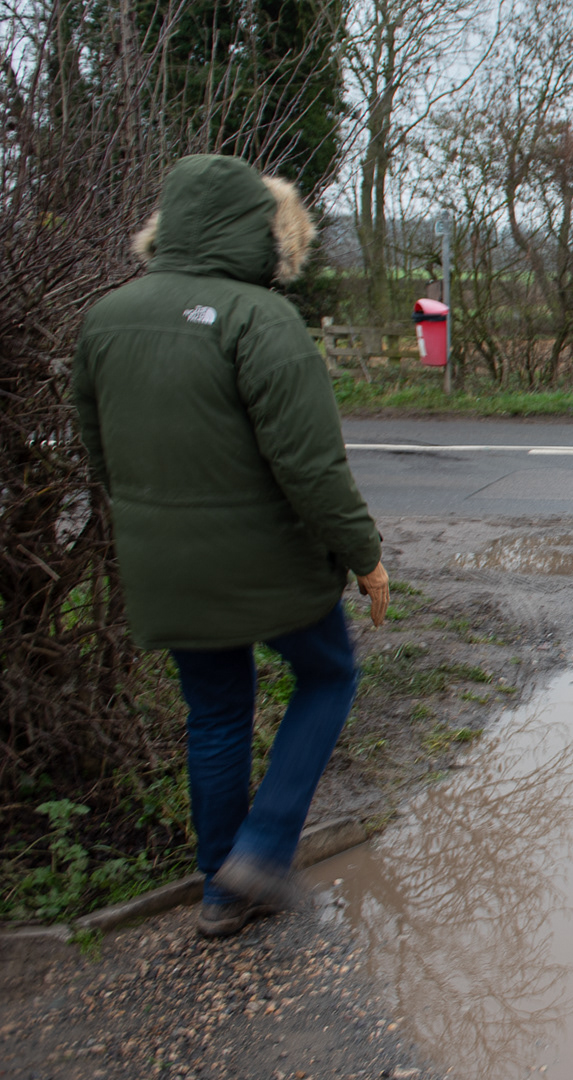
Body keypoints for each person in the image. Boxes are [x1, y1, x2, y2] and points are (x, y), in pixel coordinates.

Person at [70, 155, 390, 939]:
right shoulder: (260, 319)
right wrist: (365, 556)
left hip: (164, 566)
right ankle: (262, 849)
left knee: (214, 713)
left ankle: (221, 891)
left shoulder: (106, 317)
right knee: (327, 672)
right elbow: (311, 467)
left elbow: (99, 454)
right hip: (268, 561)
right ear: (262, 232)